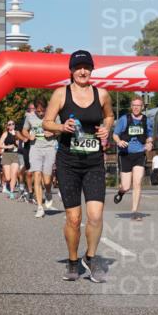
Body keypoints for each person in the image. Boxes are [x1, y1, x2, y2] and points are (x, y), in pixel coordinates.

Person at [42, 50, 114, 282]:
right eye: (78, 67)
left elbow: (109, 116)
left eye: (87, 67)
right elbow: (47, 123)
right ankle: (73, 261)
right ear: (71, 70)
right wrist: (62, 127)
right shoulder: (60, 94)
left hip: (93, 162)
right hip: (68, 163)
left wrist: (106, 128)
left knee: (95, 215)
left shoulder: (101, 94)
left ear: (91, 70)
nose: (83, 71)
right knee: (74, 218)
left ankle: (90, 258)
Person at [112, 96, 153, 219]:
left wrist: (149, 143)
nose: (136, 107)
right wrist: (119, 141)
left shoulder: (147, 120)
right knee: (126, 186)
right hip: (125, 154)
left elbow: (150, 135)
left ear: (142, 107)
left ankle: (134, 211)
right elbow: (115, 134)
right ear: (131, 106)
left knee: (137, 182)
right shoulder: (124, 119)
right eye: (134, 105)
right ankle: (121, 192)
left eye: (138, 105)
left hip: (140, 154)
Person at [23, 97, 58, 218]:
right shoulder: (30, 117)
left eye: (42, 111)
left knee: (47, 180)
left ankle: (48, 192)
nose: (41, 113)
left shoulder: (53, 115)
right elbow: (24, 130)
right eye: (38, 111)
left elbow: (61, 129)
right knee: (37, 175)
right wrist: (28, 136)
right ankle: (39, 207)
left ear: (46, 108)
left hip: (49, 148)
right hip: (35, 149)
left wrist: (53, 132)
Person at [0, 121, 22, 198]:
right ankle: (5, 185)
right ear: (7, 126)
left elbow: (21, 144)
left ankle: (11, 192)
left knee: (14, 174)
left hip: (15, 155)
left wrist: (18, 142)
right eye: (9, 124)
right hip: (6, 155)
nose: (11, 125)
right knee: (8, 177)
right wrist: (7, 147)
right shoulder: (5, 134)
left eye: (13, 124)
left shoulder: (17, 133)